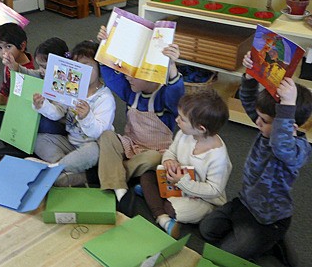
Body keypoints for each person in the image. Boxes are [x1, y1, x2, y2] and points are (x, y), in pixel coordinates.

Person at [199, 51, 312, 263]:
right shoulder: (266, 128)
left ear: (290, 127)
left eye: (264, 120)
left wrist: (287, 107)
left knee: (227, 254)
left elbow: (281, 145)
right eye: (258, 118)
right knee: (207, 230)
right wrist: (250, 77)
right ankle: (256, 238)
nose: (257, 123)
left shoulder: (296, 148)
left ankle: (274, 240)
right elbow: (250, 103)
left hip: (269, 218)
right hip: (245, 203)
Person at [96, 25, 185, 203]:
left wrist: (172, 65)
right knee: (106, 136)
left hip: (155, 151)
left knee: (154, 158)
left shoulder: (164, 95)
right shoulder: (131, 90)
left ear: (152, 74)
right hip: (131, 144)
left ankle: (113, 175)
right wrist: (105, 44)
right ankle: (120, 188)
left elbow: (177, 93)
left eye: (134, 75)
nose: (127, 77)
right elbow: (111, 75)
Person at [139, 89, 231, 238]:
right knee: (147, 176)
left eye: (182, 119)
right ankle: (162, 213)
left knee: (172, 209)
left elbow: (214, 190)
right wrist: (169, 161)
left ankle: (161, 215)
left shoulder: (218, 157)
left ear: (201, 128)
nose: (176, 120)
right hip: (176, 185)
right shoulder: (184, 133)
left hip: (203, 199)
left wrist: (183, 182)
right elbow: (171, 152)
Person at [32, 40, 116, 186]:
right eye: (79, 66)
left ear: (99, 68)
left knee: (94, 151)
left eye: (88, 65)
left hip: (92, 145)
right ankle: (67, 167)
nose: (83, 71)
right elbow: (58, 113)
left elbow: (99, 132)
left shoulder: (105, 98)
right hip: (71, 143)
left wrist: (86, 116)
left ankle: (56, 169)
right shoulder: (73, 88)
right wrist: (42, 105)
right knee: (38, 139)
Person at [0, 37, 70, 161]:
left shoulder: (64, 83)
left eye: (44, 67)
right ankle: (18, 145)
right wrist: (15, 66)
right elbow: (32, 74)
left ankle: (21, 149)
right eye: (40, 66)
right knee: (19, 108)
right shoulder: (44, 73)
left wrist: (41, 106)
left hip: (59, 125)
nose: (41, 70)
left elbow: (57, 115)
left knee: (37, 120)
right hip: (46, 115)